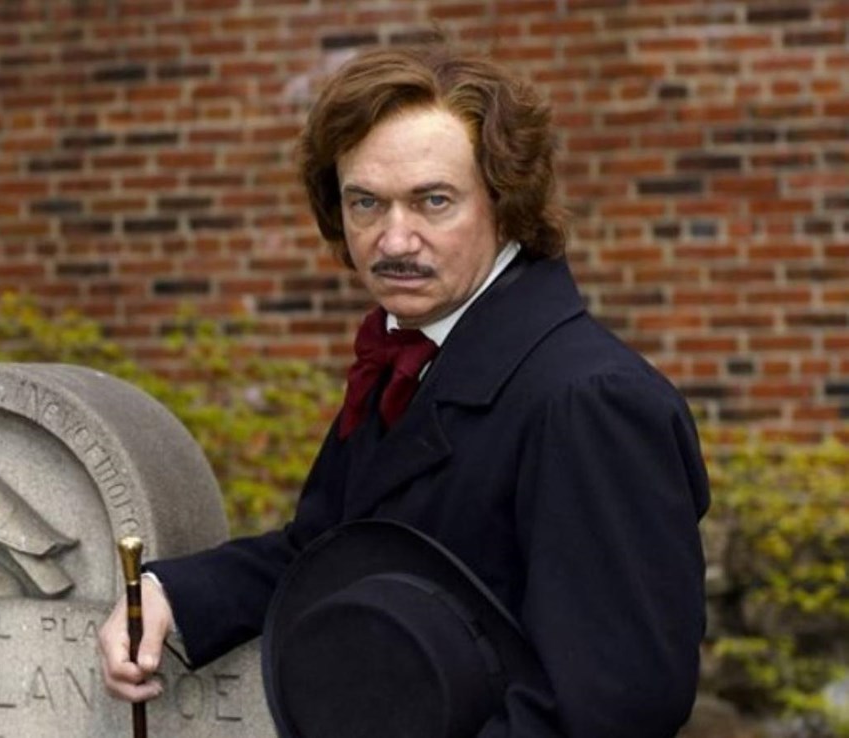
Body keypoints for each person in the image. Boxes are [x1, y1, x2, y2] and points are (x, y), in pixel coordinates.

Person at [99, 42, 709, 737]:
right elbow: (329, 550)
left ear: (508, 205)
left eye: (433, 201)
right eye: (366, 203)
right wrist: (169, 594)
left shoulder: (591, 400)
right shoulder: (411, 356)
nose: (394, 240)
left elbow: (616, 706)